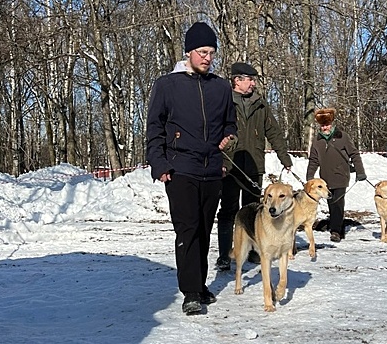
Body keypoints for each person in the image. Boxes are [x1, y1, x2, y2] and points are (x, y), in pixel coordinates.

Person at [146, 21, 238, 315]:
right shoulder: (167, 85)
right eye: (202, 51)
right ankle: (190, 293)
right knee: (188, 230)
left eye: (211, 52)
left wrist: (229, 139)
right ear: (188, 52)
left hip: (212, 169)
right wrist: (159, 163)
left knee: (204, 229)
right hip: (180, 169)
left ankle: (200, 285)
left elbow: (230, 123)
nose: (207, 57)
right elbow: (154, 128)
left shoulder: (222, 87)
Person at [215, 62, 293, 271]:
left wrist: (285, 158)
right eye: (250, 79)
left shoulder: (261, 104)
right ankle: (224, 254)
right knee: (228, 211)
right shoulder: (223, 101)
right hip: (230, 167)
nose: (253, 83)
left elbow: (274, 132)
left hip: (254, 165)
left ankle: (252, 251)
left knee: (254, 211)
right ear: (237, 80)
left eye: (254, 79)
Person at [305, 108, 366, 243]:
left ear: (331, 123)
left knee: (337, 203)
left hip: (340, 176)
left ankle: (336, 231)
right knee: (331, 203)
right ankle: (335, 224)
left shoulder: (342, 136)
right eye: (322, 125)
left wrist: (360, 171)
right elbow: (314, 160)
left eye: (327, 124)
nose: (325, 128)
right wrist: (309, 177)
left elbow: (354, 154)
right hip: (324, 179)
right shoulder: (317, 141)